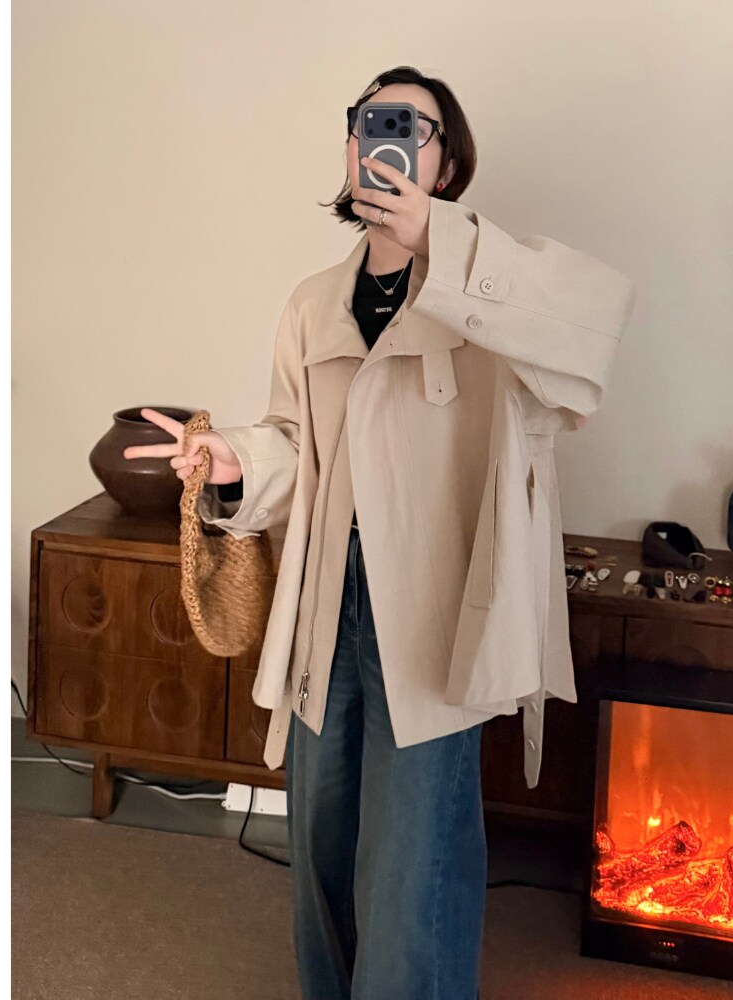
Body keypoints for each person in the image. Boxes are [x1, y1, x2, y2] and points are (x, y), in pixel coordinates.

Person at [124, 65, 636, 1000]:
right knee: (322, 835)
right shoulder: (314, 301)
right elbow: (295, 440)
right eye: (370, 123)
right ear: (352, 146)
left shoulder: (494, 290)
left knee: (414, 856)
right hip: (330, 591)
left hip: (436, 597)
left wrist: (442, 240)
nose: (386, 139)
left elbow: (591, 333)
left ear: (446, 165)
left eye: (412, 127)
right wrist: (236, 460)